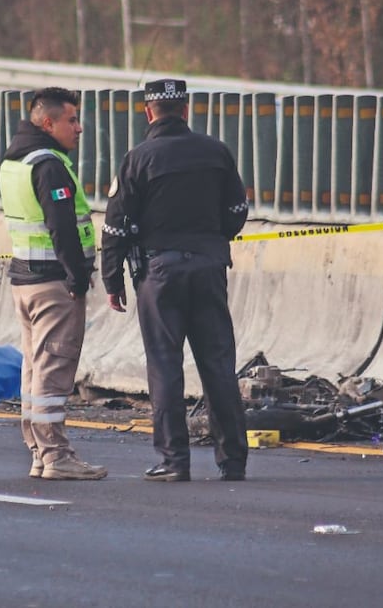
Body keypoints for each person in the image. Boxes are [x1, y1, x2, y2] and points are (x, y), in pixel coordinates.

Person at [100, 78, 249, 482]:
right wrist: (212, 237)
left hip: (159, 273)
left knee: (165, 366)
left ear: (148, 112)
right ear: (185, 110)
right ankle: (233, 461)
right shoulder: (216, 152)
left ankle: (174, 461)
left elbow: (115, 227)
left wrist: (111, 279)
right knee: (218, 365)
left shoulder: (138, 158)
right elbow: (237, 209)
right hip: (208, 267)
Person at [0, 87, 107, 480]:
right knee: (54, 369)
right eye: (72, 120)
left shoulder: (14, 160)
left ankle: (39, 453)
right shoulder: (49, 165)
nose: (79, 128)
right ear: (49, 123)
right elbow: (61, 226)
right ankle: (56, 454)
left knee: (34, 368)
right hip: (53, 285)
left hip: (25, 281)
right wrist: (78, 278)